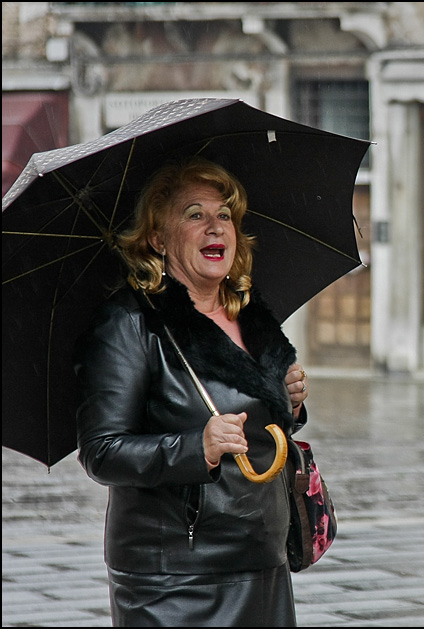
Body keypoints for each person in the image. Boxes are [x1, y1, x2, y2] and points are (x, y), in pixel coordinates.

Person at [73, 157, 310, 626]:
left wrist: (291, 402)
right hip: (175, 578)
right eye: (194, 214)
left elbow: (260, 423)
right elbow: (102, 451)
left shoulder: (251, 314)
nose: (215, 227)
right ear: (157, 238)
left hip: (262, 557)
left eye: (224, 215)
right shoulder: (130, 323)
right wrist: (193, 447)